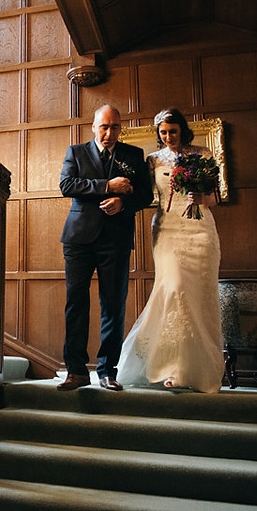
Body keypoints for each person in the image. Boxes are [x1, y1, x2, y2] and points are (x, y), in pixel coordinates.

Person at [116, 108, 224, 393]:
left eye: (172, 131)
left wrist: (200, 196)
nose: (168, 137)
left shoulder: (203, 154)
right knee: (174, 287)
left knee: (199, 296)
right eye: (163, 133)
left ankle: (197, 369)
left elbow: (215, 197)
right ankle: (171, 367)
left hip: (200, 230)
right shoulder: (152, 161)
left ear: (182, 130)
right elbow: (142, 193)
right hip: (167, 230)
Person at [58, 105, 153, 391]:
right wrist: (107, 186)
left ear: (120, 128)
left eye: (114, 127)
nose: (109, 133)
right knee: (76, 303)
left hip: (117, 240)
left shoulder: (134, 155)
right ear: (94, 127)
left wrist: (123, 203)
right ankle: (75, 371)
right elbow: (66, 185)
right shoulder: (75, 152)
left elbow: (146, 195)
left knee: (113, 306)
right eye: (104, 127)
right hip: (79, 239)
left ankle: (107, 371)